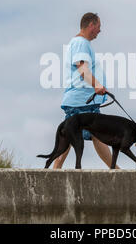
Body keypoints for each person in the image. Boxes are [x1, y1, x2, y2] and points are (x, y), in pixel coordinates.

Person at [54, 12, 120, 169]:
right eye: (98, 27)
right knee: (96, 134)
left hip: (81, 101)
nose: (100, 31)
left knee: (82, 135)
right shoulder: (80, 43)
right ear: (91, 25)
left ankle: (55, 171)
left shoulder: (79, 43)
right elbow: (82, 67)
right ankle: (115, 170)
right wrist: (97, 85)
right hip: (82, 101)